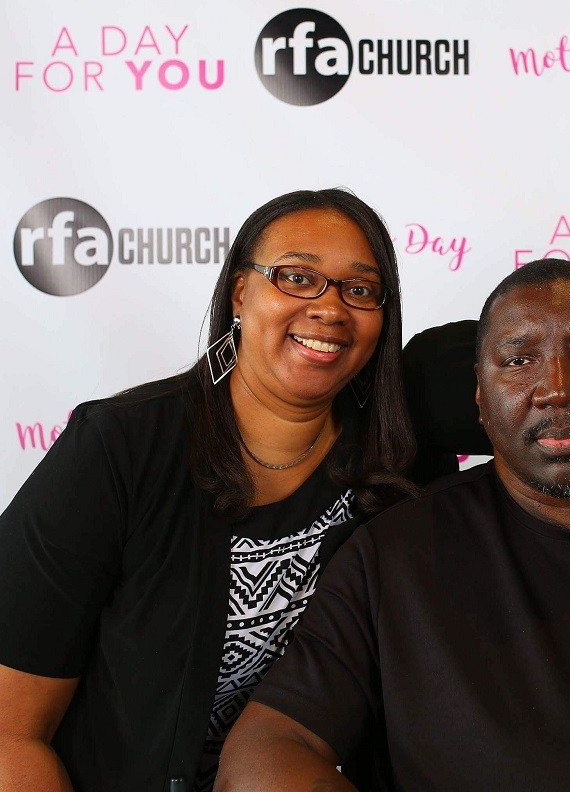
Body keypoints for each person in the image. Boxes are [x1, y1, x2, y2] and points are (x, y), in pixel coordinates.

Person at [216, 258, 570, 792]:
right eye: (519, 360)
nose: (559, 389)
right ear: (479, 393)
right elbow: (263, 756)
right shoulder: (395, 559)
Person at [0, 189, 419, 792]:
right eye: (297, 277)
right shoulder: (121, 448)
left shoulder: (391, 467)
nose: (330, 309)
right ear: (240, 293)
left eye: (360, 289)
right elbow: (12, 731)